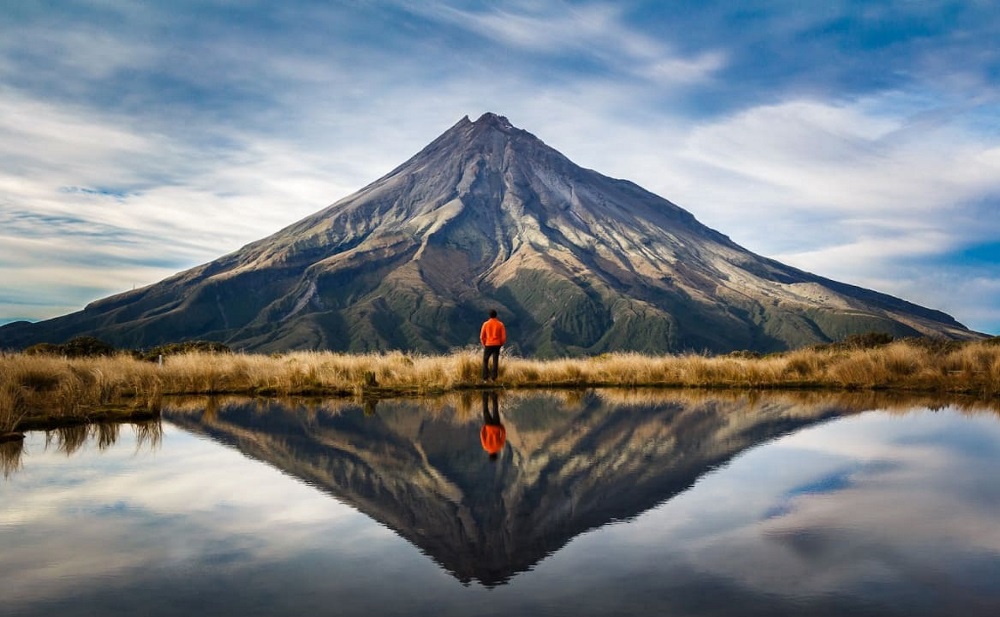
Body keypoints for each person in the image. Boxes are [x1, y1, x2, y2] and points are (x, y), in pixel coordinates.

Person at [480, 309, 506, 381]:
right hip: (497, 344)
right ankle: (494, 378)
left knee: (485, 360)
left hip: (488, 344)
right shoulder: (500, 324)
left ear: (489, 315)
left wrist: (484, 344)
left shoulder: (485, 324)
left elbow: (482, 336)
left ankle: (485, 377)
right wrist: (501, 343)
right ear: (496, 315)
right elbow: (503, 337)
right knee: (495, 361)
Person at [480, 391, 505, 461]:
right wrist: (484, 427)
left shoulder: (499, 446)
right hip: (488, 426)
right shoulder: (485, 447)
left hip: (497, 426)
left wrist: (501, 427)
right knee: (485, 410)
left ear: (496, 454)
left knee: (495, 410)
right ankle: (485, 394)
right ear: (490, 455)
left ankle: (493, 395)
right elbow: (482, 435)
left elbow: (503, 435)